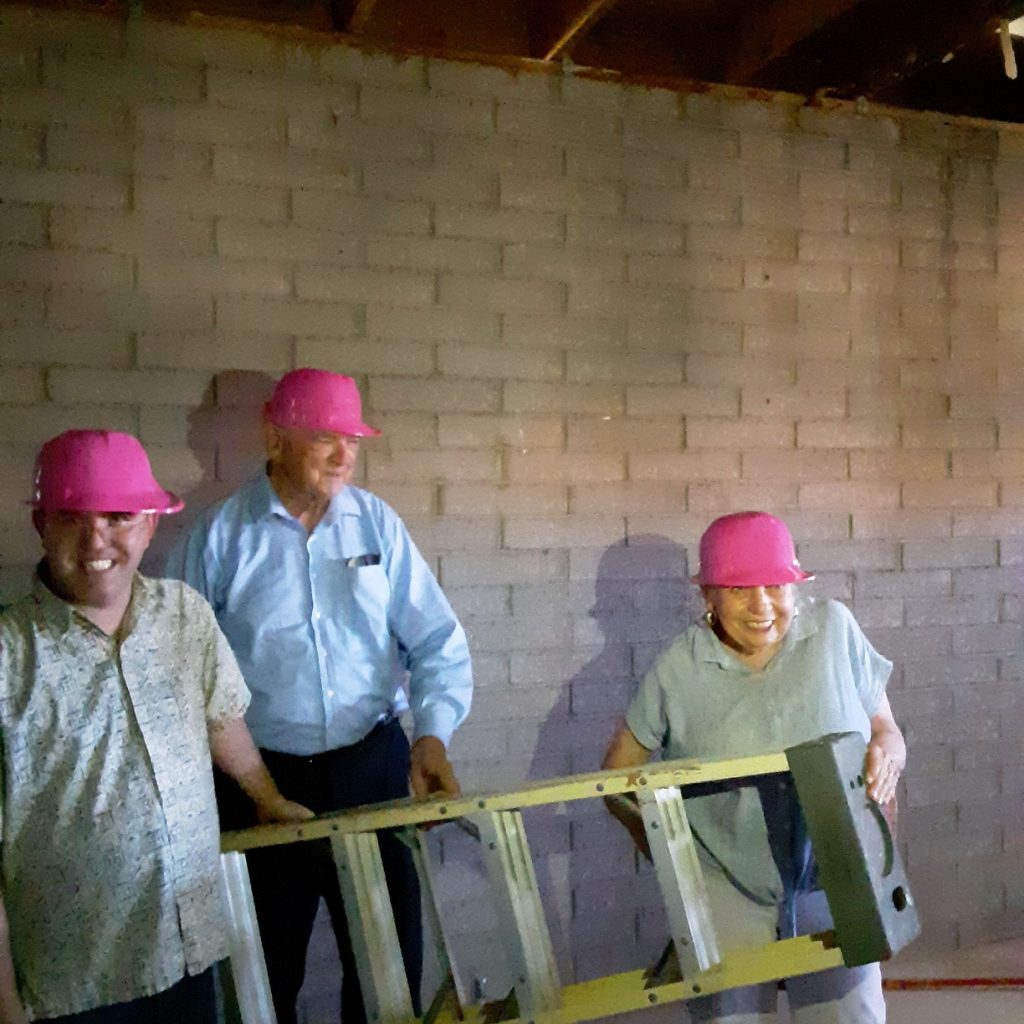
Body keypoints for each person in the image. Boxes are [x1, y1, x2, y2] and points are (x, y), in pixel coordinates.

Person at [166, 367, 474, 1024]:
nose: (344, 456)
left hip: (371, 766)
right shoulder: (219, 538)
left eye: (353, 442)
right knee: (261, 973)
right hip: (259, 784)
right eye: (325, 438)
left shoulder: (378, 527)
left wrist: (431, 735)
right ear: (275, 439)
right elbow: (177, 668)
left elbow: (438, 640)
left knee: (386, 967)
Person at [0, 429, 312, 1024]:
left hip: (191, 955)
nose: (97, 538)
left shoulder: (185, 616)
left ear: (148, 525)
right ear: (42, 525)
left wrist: (266, 796)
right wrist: (5, 1005)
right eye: (72, 517)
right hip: (78, 987)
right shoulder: (8, 657)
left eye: (118, 516)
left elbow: (221, 717)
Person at [602, 510, 906, 1024]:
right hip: (726, 883)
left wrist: (888, 757)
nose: (761, 605)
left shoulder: (833, 630)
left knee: (849, 1016)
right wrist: (671, 858)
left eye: (774, 586)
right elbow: (616, 778)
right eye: (739, 589)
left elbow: (887, 730)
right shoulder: (680, 667)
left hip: (835, 875)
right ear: (708, 596)